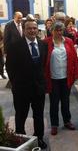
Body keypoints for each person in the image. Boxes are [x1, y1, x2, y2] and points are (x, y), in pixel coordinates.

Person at [5, 18, 48, 149]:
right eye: (29, 28)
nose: (32, 30)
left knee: (39, 115)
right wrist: (15, 84)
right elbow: (9, 67)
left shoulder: (42, 45)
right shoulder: (15, 46)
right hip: (21, 89)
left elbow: (43, 65)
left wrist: (41, 83)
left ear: (38, 29)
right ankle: (20, 139)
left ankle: (39, 138)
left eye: (34, 28)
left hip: (38, 88)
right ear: (24, 30)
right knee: (21, 116)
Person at [44, 21, 78, 135]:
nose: (59, 32)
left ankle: (67, 121)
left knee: (65, 101)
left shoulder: (68, 41)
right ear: (52, 31)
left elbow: (74, 59)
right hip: (53, 78)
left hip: (66, 77)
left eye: (61, 30)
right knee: (54, 103)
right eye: (57, 30)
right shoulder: (46, 42)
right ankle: (54, 124)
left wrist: (76, 74)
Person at [3, 11, 23, 88]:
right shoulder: (9, 25)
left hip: (22, 50)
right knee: (14, 67)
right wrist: (6, 52)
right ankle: (13, 82)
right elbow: (6, 39)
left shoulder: (23, 24)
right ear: (14, 17)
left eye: (21, 17)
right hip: (13, 51)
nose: (20, 19)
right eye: (18, 18)